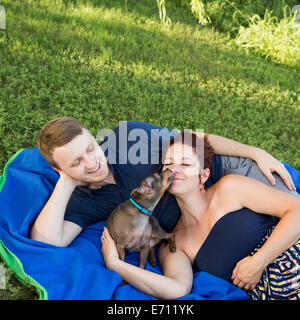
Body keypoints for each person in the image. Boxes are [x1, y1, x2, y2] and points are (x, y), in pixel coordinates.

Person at [30, 117, 298, 248]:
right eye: (75, 162)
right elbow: (46, 243)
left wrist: (254, 152)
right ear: (58, 169)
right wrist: (66, 182)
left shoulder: (128, 137)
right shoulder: (84, 201)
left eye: (90, 148)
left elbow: (195, 141)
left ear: (92, 136)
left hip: (226, 172)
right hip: (208, 216)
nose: (91, 164)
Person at [100, 131, 300, 300]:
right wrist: (115, 264)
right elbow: (177, 289)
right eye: (168, 163)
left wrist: (259, 261)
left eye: (185, 164)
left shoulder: (230, 189)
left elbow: (296, 210)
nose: (174, 169)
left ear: (203, 175)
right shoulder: (174, 242)